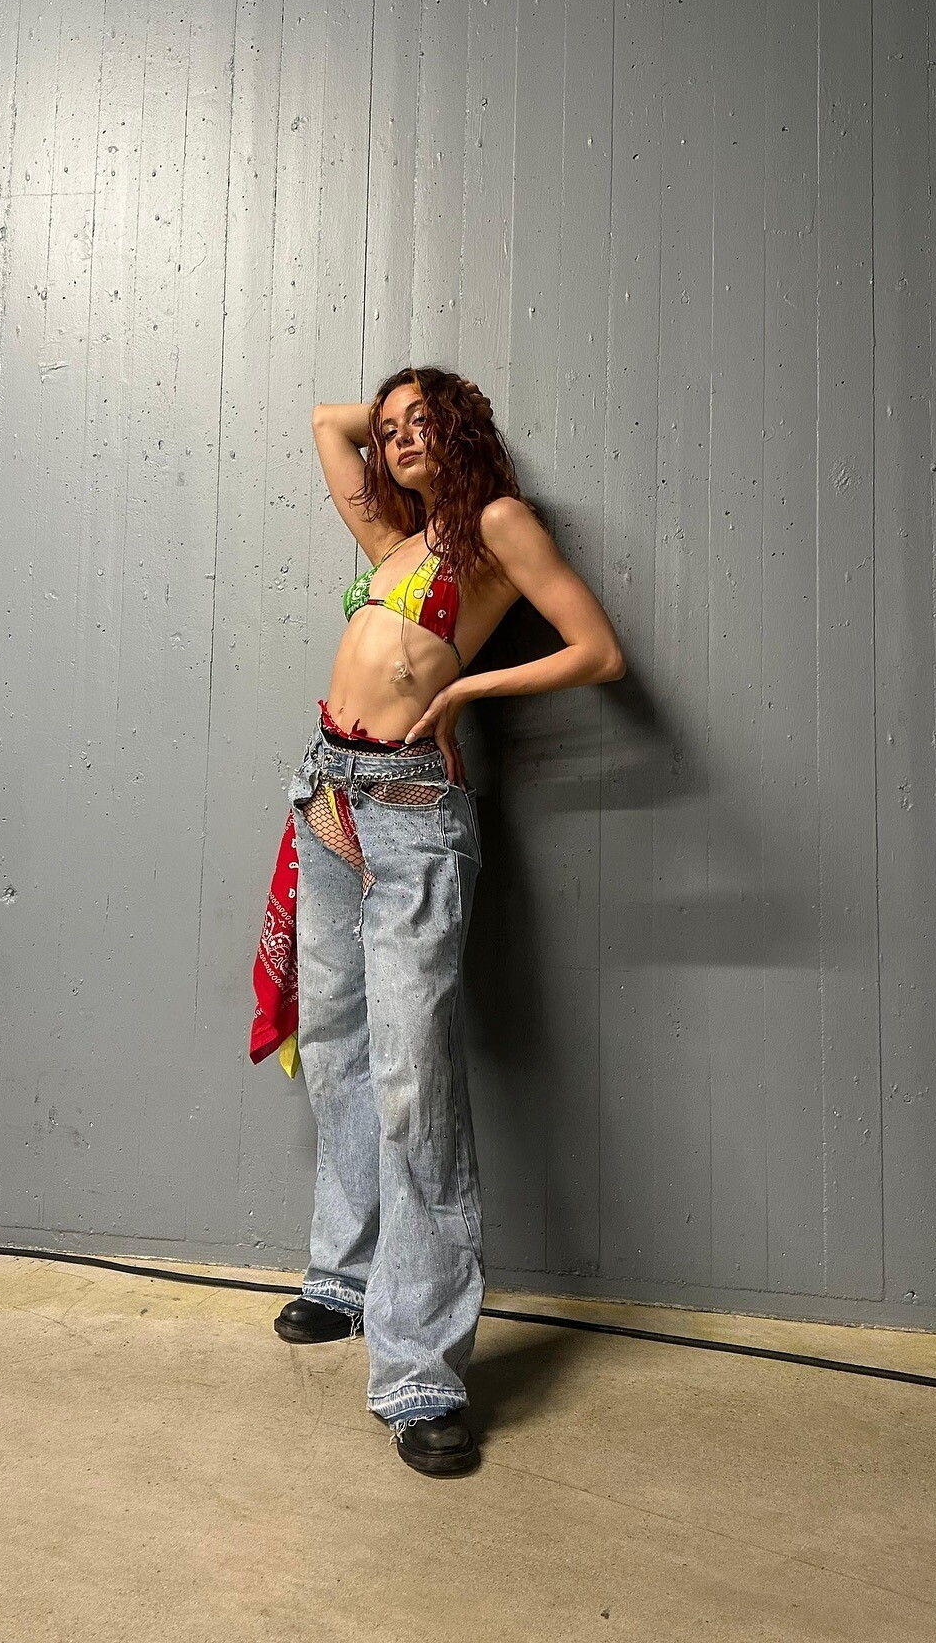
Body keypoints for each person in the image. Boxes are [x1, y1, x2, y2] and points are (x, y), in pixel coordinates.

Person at [272, 366, 627, 1476]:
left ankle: (421, 1372)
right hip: (328, 797)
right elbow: (324, 423)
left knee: (411, 1078)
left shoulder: (495, 528)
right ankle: (344, 1277)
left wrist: (467, 692)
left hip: (416, 814)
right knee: (337, 1047)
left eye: (423, 422)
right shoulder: (394, 538)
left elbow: (598, 650)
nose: (397, 439)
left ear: (463, 430)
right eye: (391, 430)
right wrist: (386, 421)